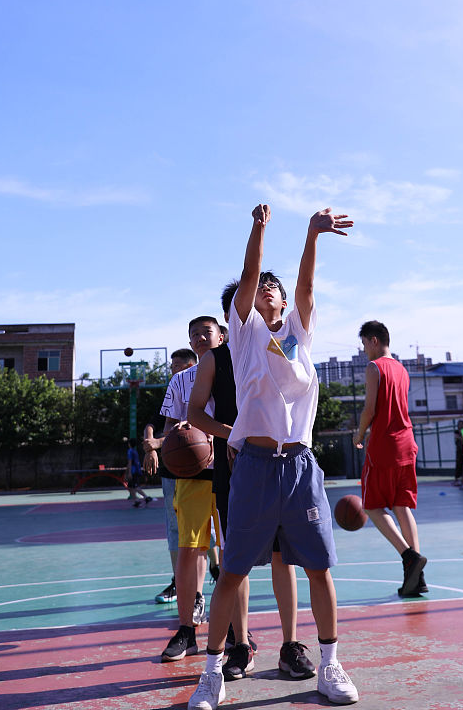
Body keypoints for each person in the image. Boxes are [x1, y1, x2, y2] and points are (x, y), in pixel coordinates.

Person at [186, 205, 359, 710]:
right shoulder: (241, 336)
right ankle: (213, 672)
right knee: (235, 572)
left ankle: (329, 664)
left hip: (301, 466)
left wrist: (312, 236)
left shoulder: (300, 332)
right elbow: (247, 276)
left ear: (284, 299)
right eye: (258, 286)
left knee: (319, 569)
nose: (264, 289)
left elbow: (307, 285)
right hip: (257, 467)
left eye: (272, 287)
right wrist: (258, 230)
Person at [188, 282, 315, 683]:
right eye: (240, 307)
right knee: (236, 562)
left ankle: (290, 644)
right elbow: (195, 415)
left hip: (276, 460)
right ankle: (240, 645)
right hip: (236, 463)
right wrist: (233, 433)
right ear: (233, 317)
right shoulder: (215, 361)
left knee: (283, 554)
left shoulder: (281, 343)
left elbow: (293, 388)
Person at [159, 319, 223, 662]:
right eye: (193, 334)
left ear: (222, 336)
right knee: (189, 550)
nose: (199, 338)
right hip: (192, 474)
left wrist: (215, 433)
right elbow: (170, 424)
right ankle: (187, 630)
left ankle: (235, 631)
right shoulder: (180, 380)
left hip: (229, 471)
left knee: (230, 553)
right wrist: (170, 438)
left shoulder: (235, 373)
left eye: (206, 332)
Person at [352, 321, 427, 598]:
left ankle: (408, 557)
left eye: (363, 345)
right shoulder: (402, 369)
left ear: (373, 340)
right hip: (407, 443)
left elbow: (369, 409)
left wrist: (359, 435)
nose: (364, 352)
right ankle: (417, 576)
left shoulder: (374, 368)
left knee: (371, 506)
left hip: (384, 444)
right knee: (401, 505)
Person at [143, 347, 197, 603]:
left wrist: (157, 444)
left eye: (177, 366)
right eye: (172, 367)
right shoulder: (173, 391)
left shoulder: (208, 387)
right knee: (175, 528)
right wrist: (152, 447)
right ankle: (179, 582)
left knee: (207, 529)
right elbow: (153, 424)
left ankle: (217, 572)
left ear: (190, 367)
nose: (173, 371)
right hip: (172, 471)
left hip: (203, 469)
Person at [125, 437, 150, 507]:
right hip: (136, 470)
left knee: (134, 486)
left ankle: (146, 497)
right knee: (130, 487)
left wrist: (129, 472)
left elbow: (130, 462)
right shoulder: (135, 451)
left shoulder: (130, 451)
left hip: (133, 471)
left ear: (129, 444)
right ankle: (136, 500)